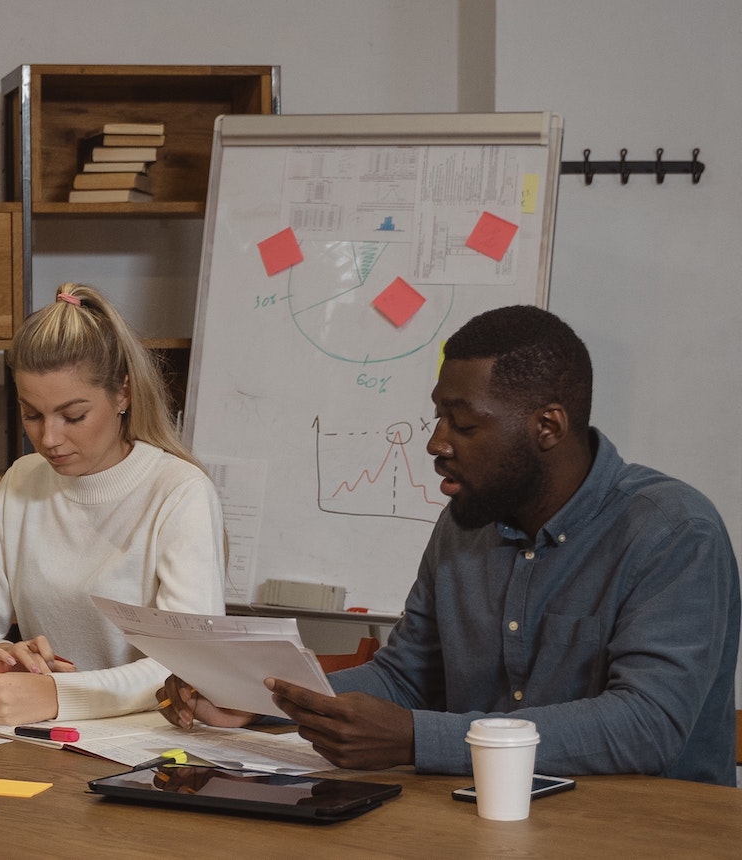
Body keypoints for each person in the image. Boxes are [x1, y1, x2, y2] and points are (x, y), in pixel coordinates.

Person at [159, 304, 740, 785]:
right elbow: (408, 678)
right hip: (481, 822)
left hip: (645, 834)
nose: (436, 442)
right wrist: (265, 702)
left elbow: (648, 726)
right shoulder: (465, 522)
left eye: (463, 424)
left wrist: (417, 739)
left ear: (548, 426)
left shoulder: (673, 532)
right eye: (438, 417)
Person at [0, 283, 226, 725]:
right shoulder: (22, 482)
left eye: (73, 416)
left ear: (123, 393)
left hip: (148, 746)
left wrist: (60, 695)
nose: (48, 439)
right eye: (31, 414)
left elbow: (188, 666)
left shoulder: (179, 491)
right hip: (40, 731)